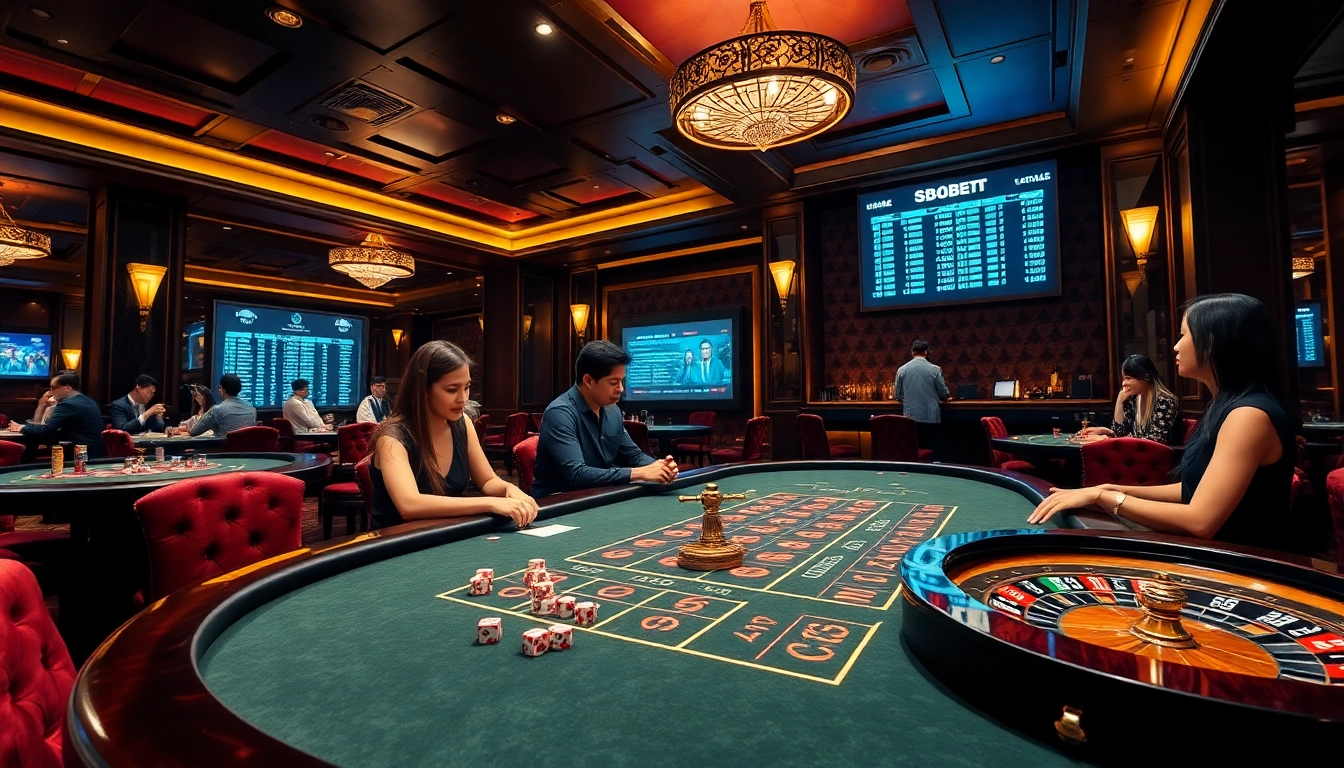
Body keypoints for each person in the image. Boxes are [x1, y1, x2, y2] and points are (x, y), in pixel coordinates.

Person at [1029, 294, 1300, 553]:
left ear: (1212, 343)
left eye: (1184, 335)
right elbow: (1191, 490)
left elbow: (1200, 522)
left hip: (1240, 568)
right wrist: (1111, 489)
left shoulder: (1248, 415)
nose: (1175, 346)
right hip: (1216, 553)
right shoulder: (1225, 407)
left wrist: (1105, 499)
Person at [368, 341, 537, 530]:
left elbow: (487, 480)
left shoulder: (463, 423)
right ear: (423, 390)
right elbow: (409, 505)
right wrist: (490, 503)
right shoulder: (391, 439)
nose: (463, 399)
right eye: (452, 390)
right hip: (396, 542)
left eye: (467, 387)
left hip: (445, 535)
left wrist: (509, 489)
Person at [531, 340, 678, 497]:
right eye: (614, 382)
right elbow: (577, 475)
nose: (621, 389)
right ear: (588, 381)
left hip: (599, 494)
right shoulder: (559, 413)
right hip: (558, 502)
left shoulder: (612, 410)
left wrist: (660, 467)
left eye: (621, 381)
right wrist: (638, 473)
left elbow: (634, 456)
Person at [1082, 355, 1180, 444]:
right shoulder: (1134, 398)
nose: (1124, 383)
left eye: (1128, 378)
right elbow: (1120, 433)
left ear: (1145, 377)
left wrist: (1108, 439)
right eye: (1123, 379)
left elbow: (1155, 441)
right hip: (1137, 453)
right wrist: (1119, 403)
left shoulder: (1165, 401)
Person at [7, 370, 106, 457]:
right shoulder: (87, 400)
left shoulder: (68, 404)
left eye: (53, 387)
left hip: (79, 454)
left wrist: (22, 428)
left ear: (67, 387)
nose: (51, 391)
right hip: (93, 451)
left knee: (27, 450)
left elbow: (47, 430)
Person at [894, 339, 949, 457]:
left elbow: (897, 395)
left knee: (913, 449)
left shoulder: (902, 370)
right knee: (934, 449)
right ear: (926, 352)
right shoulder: (935, 369)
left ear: (913, 352)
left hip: (910, 416)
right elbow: (943, 394)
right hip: (931, 415)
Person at [175, 373, 256, 437]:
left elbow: (194, 431)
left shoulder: (218, 409)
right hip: (247, 451)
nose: (219, 390)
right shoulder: (251, 408)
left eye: (220, 388)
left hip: (224, 451)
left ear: (223, 390)